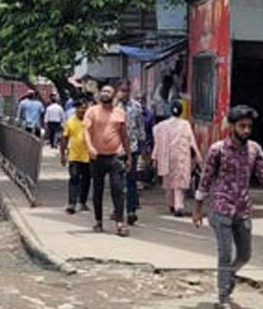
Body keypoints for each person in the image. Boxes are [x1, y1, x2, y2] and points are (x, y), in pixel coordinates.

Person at [193, 105, 263, 309]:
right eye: (242, 126)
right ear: (232, 126)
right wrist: (198, 209)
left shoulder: (254, 149)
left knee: (245, 254)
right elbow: (206, 179)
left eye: (249, 127)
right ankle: (223, 297)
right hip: (220, 208)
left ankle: (228, 276)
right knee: (225, 254)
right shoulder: (217, 150)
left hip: (243, 209)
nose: (246, 130)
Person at [83, 85, 131, 236]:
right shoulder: (92, 111)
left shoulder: (119, 113)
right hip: (97, 157)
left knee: (118, 189)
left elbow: (124, 136)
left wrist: (129, 155)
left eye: (108, 91)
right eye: (103, 91)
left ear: (113, 94)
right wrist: (90, 147)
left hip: (115, 157)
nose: (105, 93)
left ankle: (119, 223)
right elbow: (86, 131)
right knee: (98, 190)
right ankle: (98, 221)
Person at [152, 100, 201, 217]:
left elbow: (157, 143)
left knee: (168, 182)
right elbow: (192, 142)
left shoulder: (161, 126)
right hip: (181, 157)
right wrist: (198, 158)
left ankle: (171, 204)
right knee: (178, 183)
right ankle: (179, 206)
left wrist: (154, 157)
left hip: (166, 157)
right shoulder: (185, 124)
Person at [118, 82, 146, 225]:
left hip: (133, 148)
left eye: (127, 91)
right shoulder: (112, 107)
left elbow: (141, 128)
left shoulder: (136, 107)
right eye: (122, 90)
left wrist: (143, 146)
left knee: (131, 180)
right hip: (115, 149)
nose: (125, 93)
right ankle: (118, 210)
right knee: (117, 181)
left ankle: (131, 211)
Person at [61, 98, 92, 214]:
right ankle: (72, 203)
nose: (82, 110)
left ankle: (82, 202)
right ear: (76, 109)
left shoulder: (90, 122)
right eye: (80, 108)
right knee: (74, 178)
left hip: (88, 156)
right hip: (74, 156)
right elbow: (64, 139)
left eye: (84, 108)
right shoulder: (70, 122)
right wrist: (62, 154)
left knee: (86, 180)